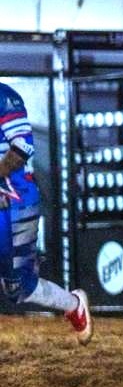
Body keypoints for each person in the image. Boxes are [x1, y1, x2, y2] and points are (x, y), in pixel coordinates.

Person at [0, 82, 92, 344]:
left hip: (15, 203)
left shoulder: (5, 98)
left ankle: (73, 305)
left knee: (18, 288)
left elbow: (22, 148)